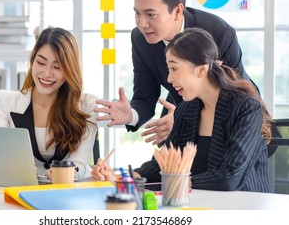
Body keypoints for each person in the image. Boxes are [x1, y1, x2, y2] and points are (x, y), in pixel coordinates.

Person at [91, 27, 271, 192]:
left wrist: (177, 182)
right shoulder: (187, 108)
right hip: (200, 205)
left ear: (201, 70)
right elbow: (161, 167)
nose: (169, 78)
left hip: (243, 207)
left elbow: (230, 177)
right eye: (168, 69)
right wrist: (119, 178)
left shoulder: (246, 107)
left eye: (174, 69)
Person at [94, 0, 258, 145]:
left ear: (178, 10)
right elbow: (145, 96)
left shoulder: (219, 33)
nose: (142, 24)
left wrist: (186, 117)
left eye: (150, 14)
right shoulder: (140, 38)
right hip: (178, 111)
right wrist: (130, 115)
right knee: (162, 168)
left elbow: (236, 98)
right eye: (137, 13)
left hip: (232, 124)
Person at [0, 27, 98, 180]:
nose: (47, 73)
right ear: (32, 61)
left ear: (70, 69)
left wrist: (67, 172)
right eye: (41, 62)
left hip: (70, 190)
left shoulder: (87, 105)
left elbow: (79, 162)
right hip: (20, 188)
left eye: (57, 67)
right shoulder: (6, 101)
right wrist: (13, 167)